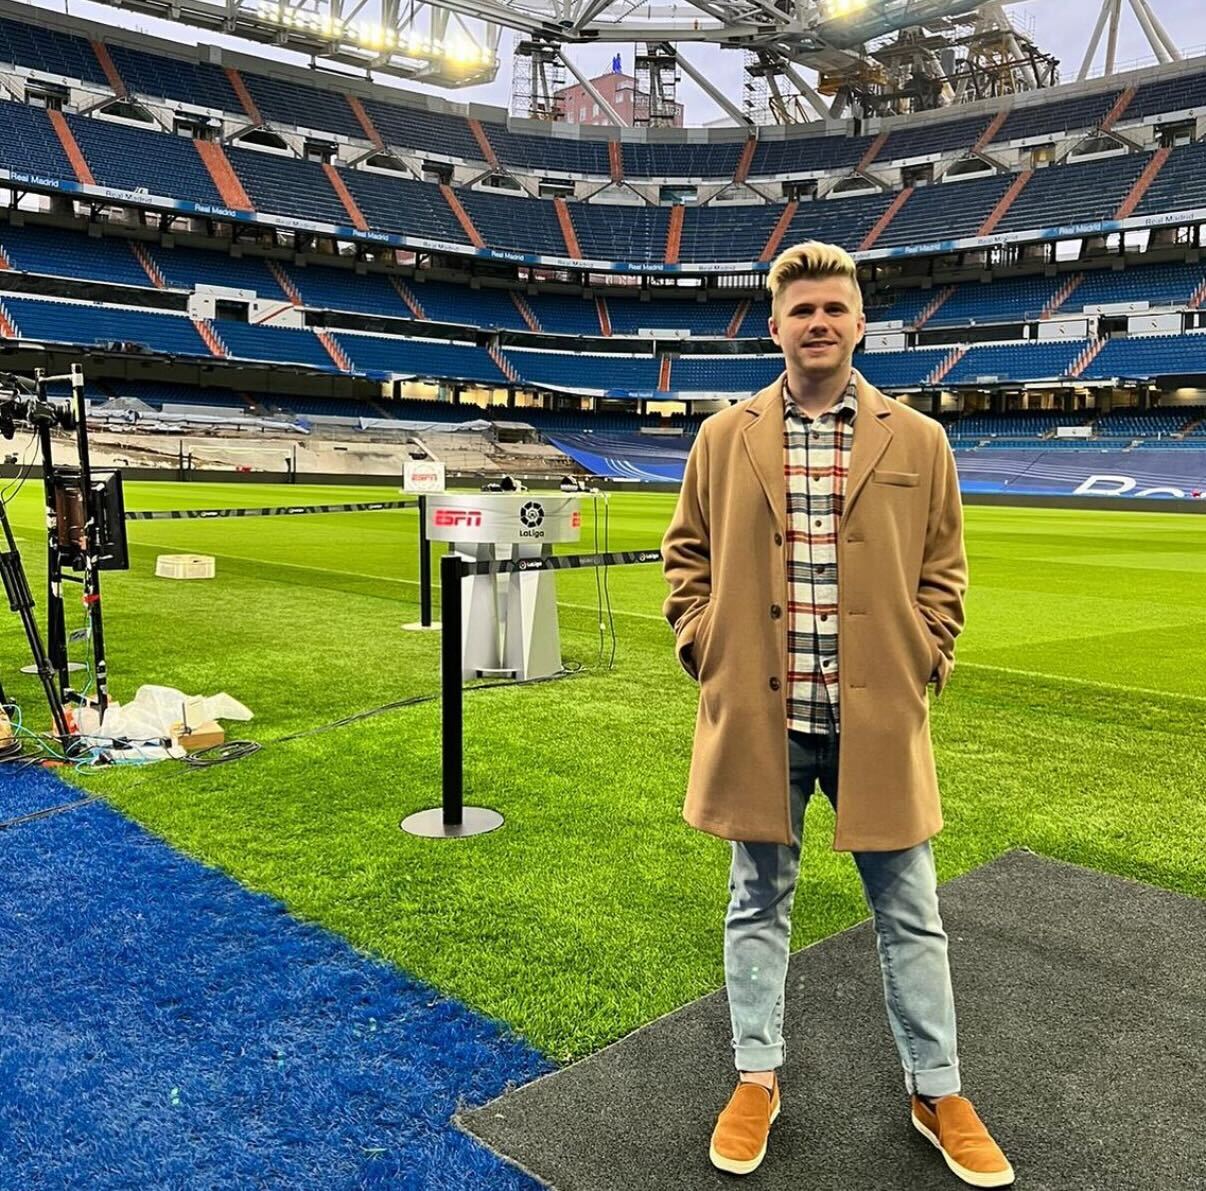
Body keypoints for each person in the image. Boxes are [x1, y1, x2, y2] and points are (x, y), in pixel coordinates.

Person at [660, 241, 1014, 1187]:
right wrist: (704, 644)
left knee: (912, 910)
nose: (818, 323)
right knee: (756, 903)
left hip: (878, 720)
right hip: (761, 720)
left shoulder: (920, 438)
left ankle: (936, 1087)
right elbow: (684, 554)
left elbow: (945, 568)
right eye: (801, 309)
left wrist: (926, 649)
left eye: (834, 309)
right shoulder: (722, 435)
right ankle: (756, 1076)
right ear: (774, 325)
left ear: (860, 323)